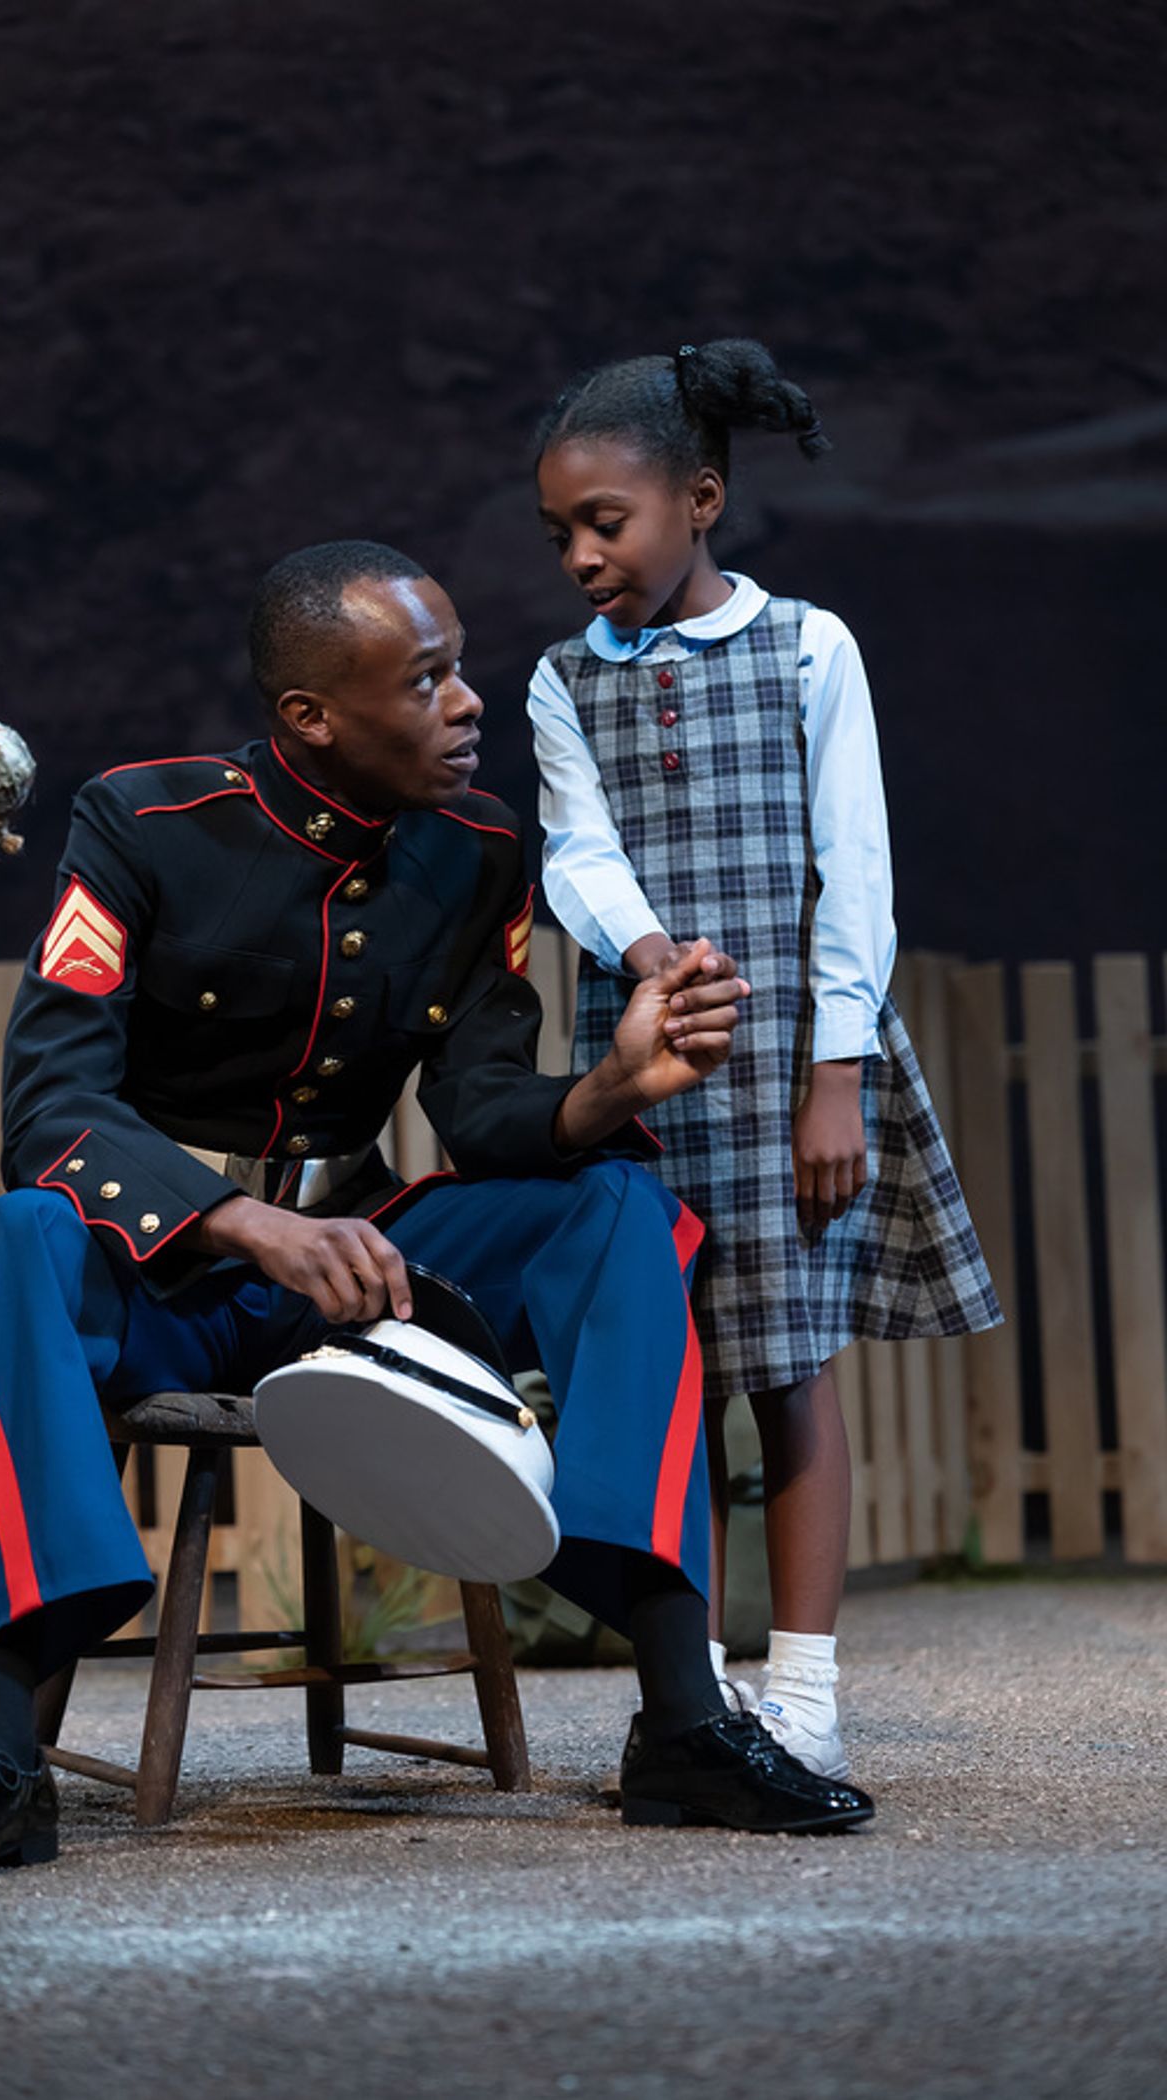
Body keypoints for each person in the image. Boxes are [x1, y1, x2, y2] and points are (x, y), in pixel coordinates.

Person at [0, 540, 872, 1890]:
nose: (467, 704)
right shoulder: (144, 821)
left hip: (360, 1273)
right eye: (427, 680)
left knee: (625, 1205)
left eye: (460, 671)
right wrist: (245, 1226)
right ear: (312, 716)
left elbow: (484, 1111)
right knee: (13, 1238)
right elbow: (50, 1109)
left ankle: (684, 1718)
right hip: (165, 1279)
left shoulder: (478, 851)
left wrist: (616, 1087)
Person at [529, 342, 1002, 1780]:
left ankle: (803, 1691)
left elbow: (854, 864)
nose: (582, 556)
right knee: (673, 1378)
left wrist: (836, 1075)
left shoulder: (807, 646)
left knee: (791, 1367)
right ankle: (697, 1696)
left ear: (702, 499)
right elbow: (577, 850)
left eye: (606, 522)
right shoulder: (562, 680)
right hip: (653, 1061)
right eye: (560, 533)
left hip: (795, 1058)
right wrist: (649, 958)